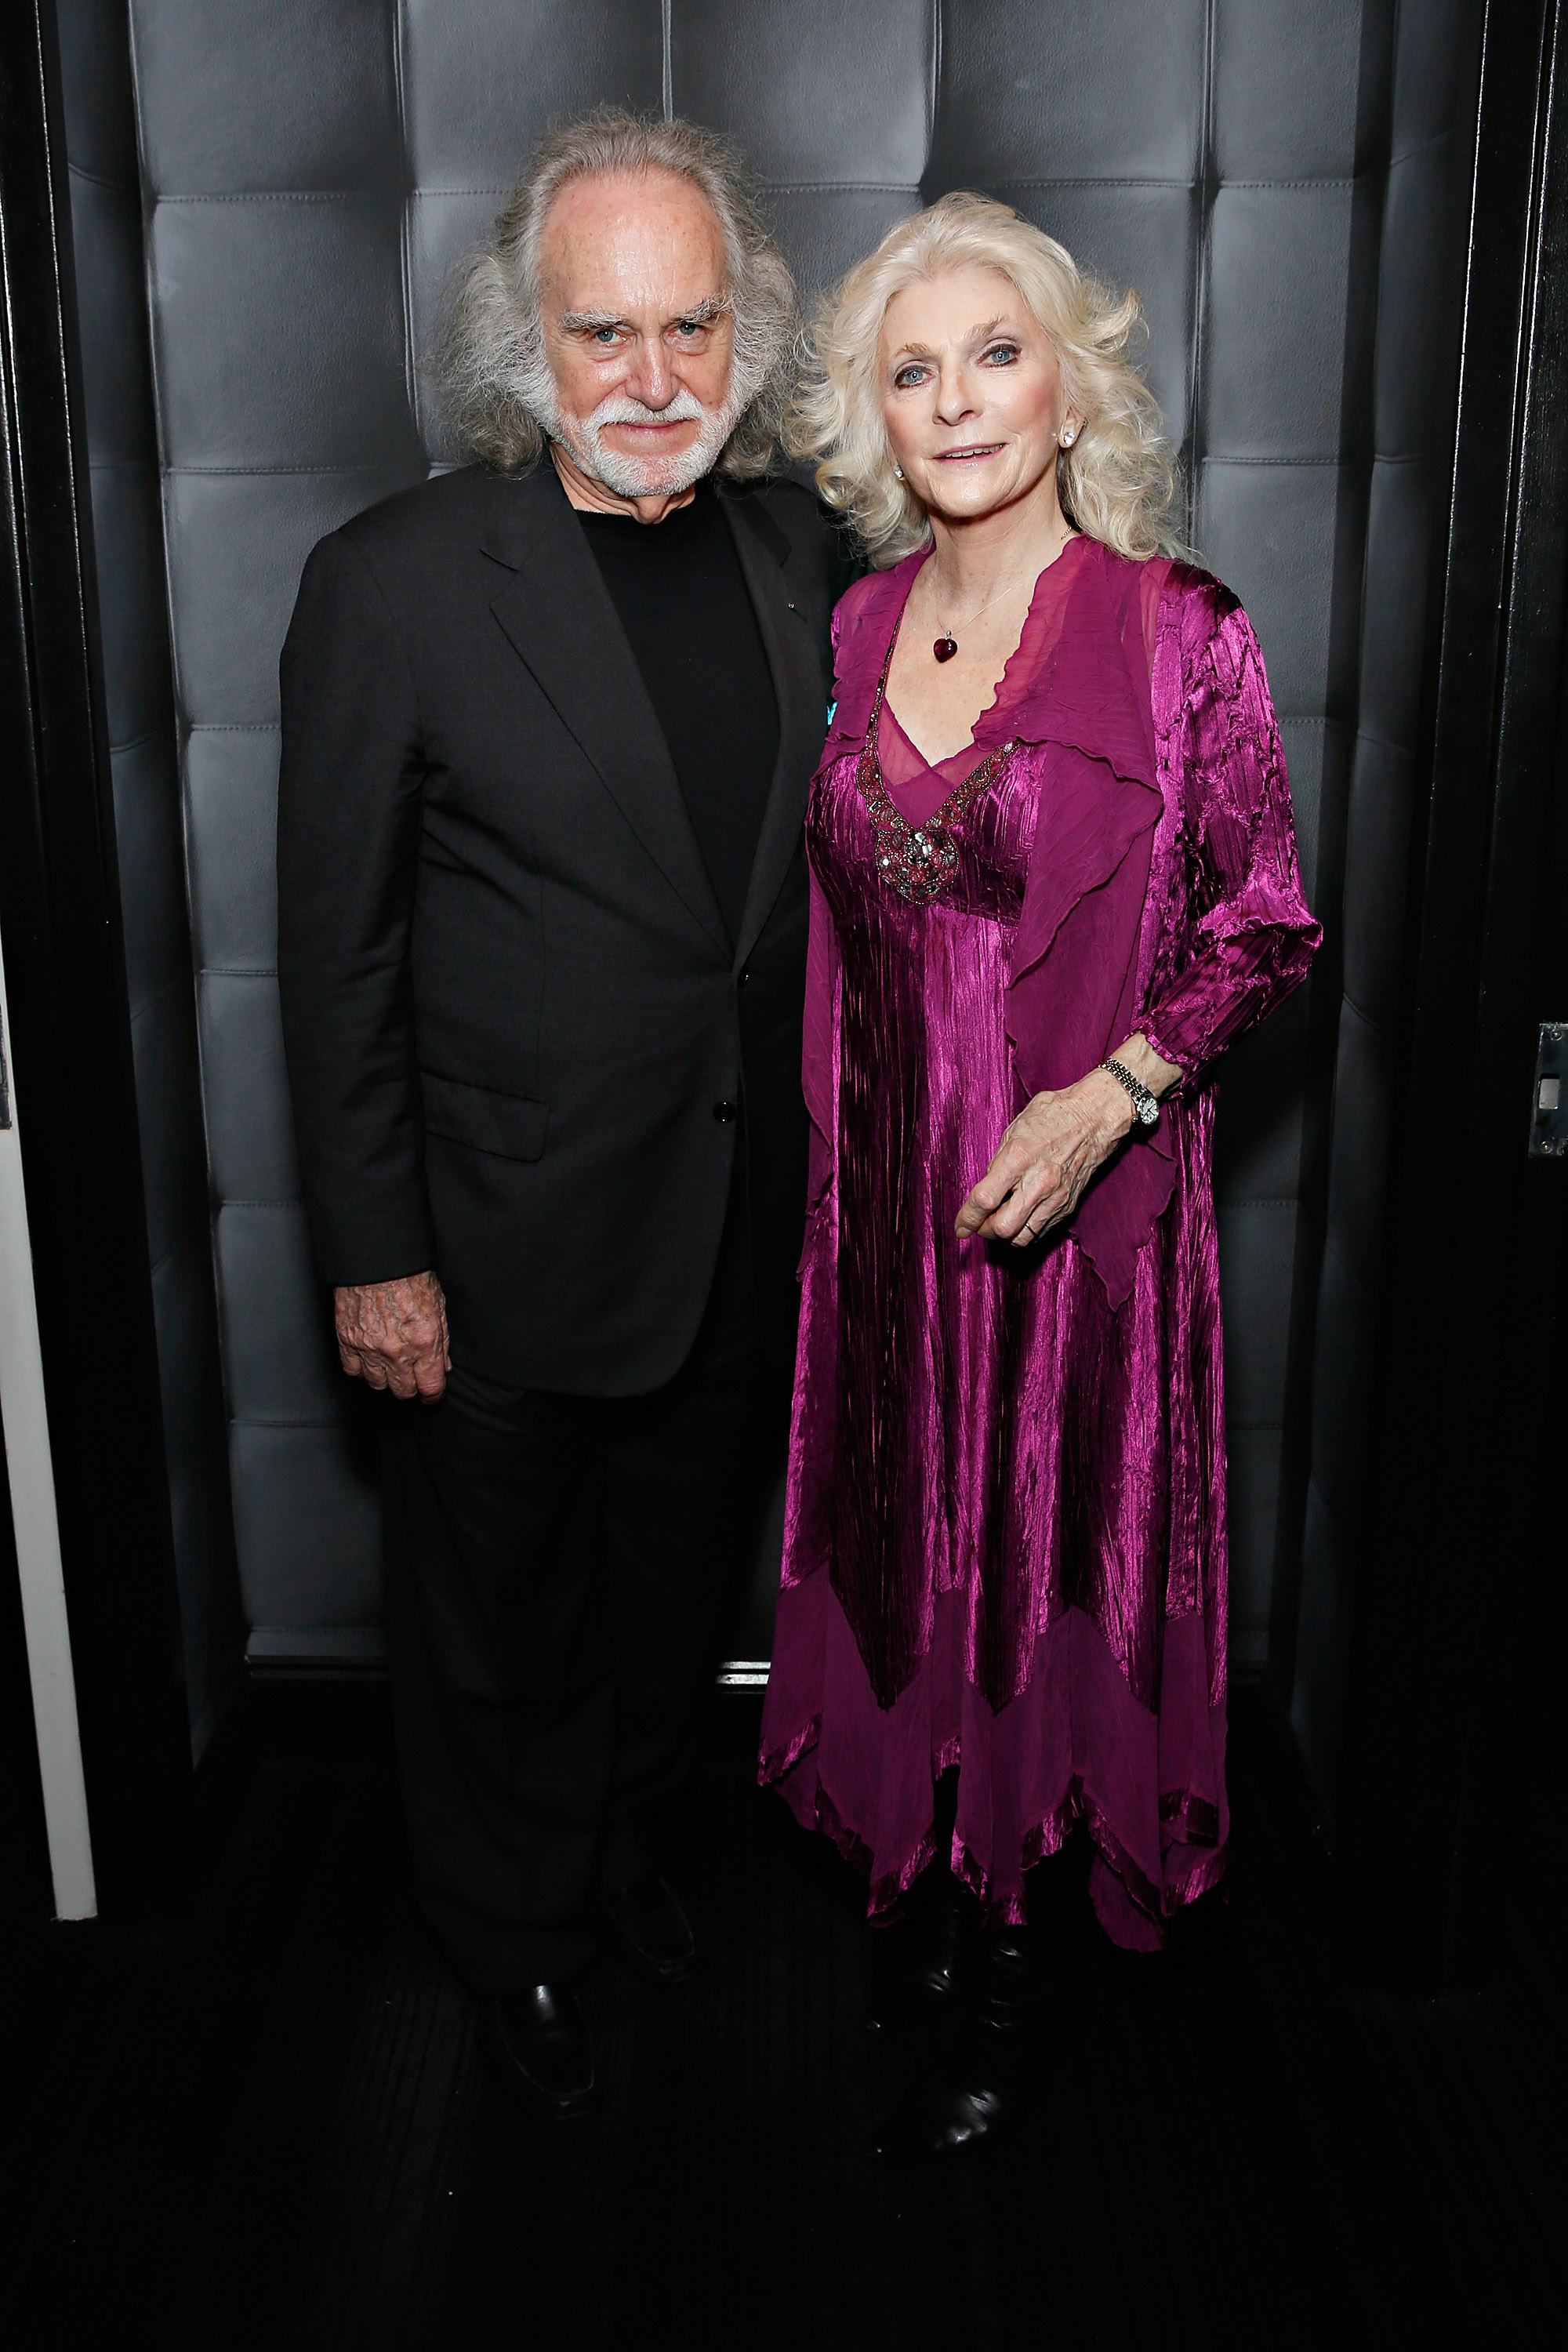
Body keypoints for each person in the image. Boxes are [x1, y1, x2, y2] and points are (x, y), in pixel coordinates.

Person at [277, 111, 843, 2122]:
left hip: (736, 1219)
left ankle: (610, 1862)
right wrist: (373, 1250)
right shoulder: (395, 582)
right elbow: (332, 952)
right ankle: (506, 1929)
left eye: (693, 326)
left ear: (746, 336)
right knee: (499, 1618)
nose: (655, 380)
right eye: (604, 333)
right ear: (528, 346)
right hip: (491, 1235)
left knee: (672, 1597)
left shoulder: (802, 555)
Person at [759, 192, 1321, 2158]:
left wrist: (1110, 1099)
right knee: (909, 1526)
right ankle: (917, 1870)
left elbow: (1265, 925)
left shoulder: (1186, 635)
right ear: (874, 422)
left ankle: (1017, 1937)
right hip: (889, 1209)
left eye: (996, 353)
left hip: (1073, 1215)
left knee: (1036, 1543)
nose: (956, 400)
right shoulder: (853, 621)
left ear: (1072, 385)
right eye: (911, 371)